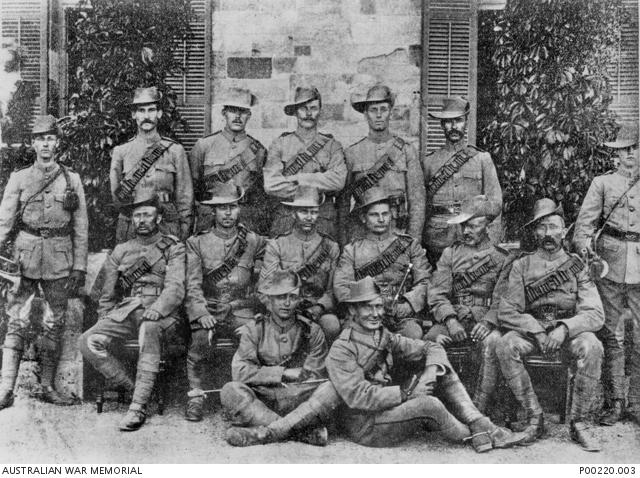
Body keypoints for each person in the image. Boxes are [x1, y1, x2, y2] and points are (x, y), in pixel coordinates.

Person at [325, 276, 526, 452]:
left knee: (440, 368)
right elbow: (360, 397)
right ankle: (477, 433)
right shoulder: (342, 349)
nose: (376, 313)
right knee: (430, 404)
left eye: (378, 306)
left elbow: (431, 347)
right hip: (366, 426)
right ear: (352, 309)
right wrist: (408, 393)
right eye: (368, 307)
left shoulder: (382, 336)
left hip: (388, 410)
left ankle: (480, 424)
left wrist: (430, 372)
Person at [497, 198, 605, 451]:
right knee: (506, 344)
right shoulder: (521, 265)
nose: (548, 234)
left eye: (554, 227)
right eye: (542, 227)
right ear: (534, 232)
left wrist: (565, 328)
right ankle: (534, 418)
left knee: (593, 346)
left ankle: (579, 423)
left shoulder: (577, 266)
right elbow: (507, 310)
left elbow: (595, 313)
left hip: (566, 336)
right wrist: (534, 329)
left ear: (564, 231)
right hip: (532, 336)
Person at [0, 114, 88, 409]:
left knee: (55, 321)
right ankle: (5, 389)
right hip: (24, 258)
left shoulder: (71, 179)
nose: (45, 145)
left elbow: (81, 227)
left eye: (50, 139)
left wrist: (79, 267)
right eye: (40, 139)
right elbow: (4, 221)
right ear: (33, 143)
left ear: (58, 143)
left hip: (59, 259)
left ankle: (47, 386)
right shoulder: (20, 178)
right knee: (17, 319)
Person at [79, 192, 185, 431]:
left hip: (161, 313)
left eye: (147, 214)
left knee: (149, 328)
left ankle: (137, 408)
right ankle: (132, 387)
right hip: (127, 311)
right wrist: (104, 319)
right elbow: (107, 295)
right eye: (137, 216)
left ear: (158, 218)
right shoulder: (121, 251)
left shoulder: (173, 247)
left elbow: (176, 287)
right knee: (87, 341)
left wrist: (158, 309)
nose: (142, 220)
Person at [220, 270, 341, 447]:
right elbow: (240, 371)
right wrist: (282, 373)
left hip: (299, 400)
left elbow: (315, 375)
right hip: (263, 399)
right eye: (280, 297)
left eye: (292, 297)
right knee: (230, 390)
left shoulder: (312, 331)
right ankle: (302, 433)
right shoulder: (255, 330)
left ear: (299, 300)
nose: (286, 303)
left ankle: (267, 432)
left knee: (332, 388)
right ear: (269, 301)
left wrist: (297, 384)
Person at [573, 122, 640, 427]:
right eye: (625, 149)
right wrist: (589, 253)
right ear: (616, 154)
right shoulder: (603, 183)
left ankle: (637, 402)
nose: (630, 155)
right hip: (610, 266)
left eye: (635, 149)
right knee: (613, 336)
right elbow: (583, 227)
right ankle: (616, 402)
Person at [184, 182, 266, 422]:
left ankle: (248, 398)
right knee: (200, 339)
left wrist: (247, 308)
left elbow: (264, 282)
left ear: (239, 208)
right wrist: (200, 313)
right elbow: (192, 284)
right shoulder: (197, 243)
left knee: (254, 338)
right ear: (213, 211)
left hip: (241, 307)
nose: (227, 213)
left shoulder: (254, 241)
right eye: (222, 208)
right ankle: (196, 396)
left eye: (232, 207)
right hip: (210, 306)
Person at [425, 195, 512, 413]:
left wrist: (490, 322)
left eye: (473, 226)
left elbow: (505, 297)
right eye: (464, 225)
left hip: (486, 317)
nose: (466, 231)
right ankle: (433, 406)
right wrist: (450, 319)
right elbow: (437, 292)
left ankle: (478, 409)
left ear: (488, 226)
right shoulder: (450, 253)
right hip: (455, 314)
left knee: (493, 342)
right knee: (428, 340)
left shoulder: (502, 258)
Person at [334, 187, 431, 339]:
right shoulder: (351, 250)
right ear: (363, 217)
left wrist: (408, 305)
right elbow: (342, 286)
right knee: (351, 336)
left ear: (391, 215)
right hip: (365, 315)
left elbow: (424, 281)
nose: (381, 219)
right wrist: (364, 307)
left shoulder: (409, 245)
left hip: (400, 315)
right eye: (374, 215)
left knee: (413, 334)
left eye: (385, 214)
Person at [338, 84, 425, 246]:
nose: (378, 115)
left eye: (383, 109)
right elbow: (343, 204)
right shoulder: (352, 153)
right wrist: (344, 244)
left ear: (390, 112)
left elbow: (417, 202)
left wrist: (413, 243)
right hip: (360, 233)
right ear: (365, 114)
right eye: (373, 110)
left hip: (397, 231)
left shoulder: (406, 151)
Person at [422, 97, 502, 266]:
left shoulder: (482, 159)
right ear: (442, 125)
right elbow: (421, 206)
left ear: (466, 122)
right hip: (437, 239)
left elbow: (495, 204)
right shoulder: (429, 162)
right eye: (448, 122)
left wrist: (491, 243)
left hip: (472, 237)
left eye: (458, 120)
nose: (453, 127)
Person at [110, 86, 193, 243]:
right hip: (132, 227)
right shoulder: (121, 152)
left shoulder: (176, 151)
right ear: (134, 114)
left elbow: (185, 198)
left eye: (151, 110)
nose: (146, 116)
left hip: (167, 224)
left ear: (159, 113)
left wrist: (183, 233)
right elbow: (117, 199)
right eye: (141, 110)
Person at [260, 186, 341, 343]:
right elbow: (265, 287)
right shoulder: (278, 245)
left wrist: (318, 309)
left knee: (331, 325)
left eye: (314, 212)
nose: (309, 217)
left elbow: (332, 291)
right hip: (284, 308)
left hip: (316, 310)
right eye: (304, 212)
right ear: (293, 213)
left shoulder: (330, 246)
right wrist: (285, 309)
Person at [263, 86, 346, 239]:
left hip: (322, 218)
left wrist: (298, 179)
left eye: (313, 108)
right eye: (303, 109)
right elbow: (271, 184)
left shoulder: (333, 145)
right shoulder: (280, 144)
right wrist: (319, 183)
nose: (308, 114)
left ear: (320, 110)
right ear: (295, 112)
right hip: (287, 218)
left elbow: (338, 181)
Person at [188, 88, 268, 234]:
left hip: (245, 219)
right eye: (232, 110)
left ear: (249, 115)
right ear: (224, 113)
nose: (238, 116)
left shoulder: (259, 151)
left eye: (243, 111)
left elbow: (261, 195)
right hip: (210, 220)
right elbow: (192, 188)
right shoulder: (204, 145)